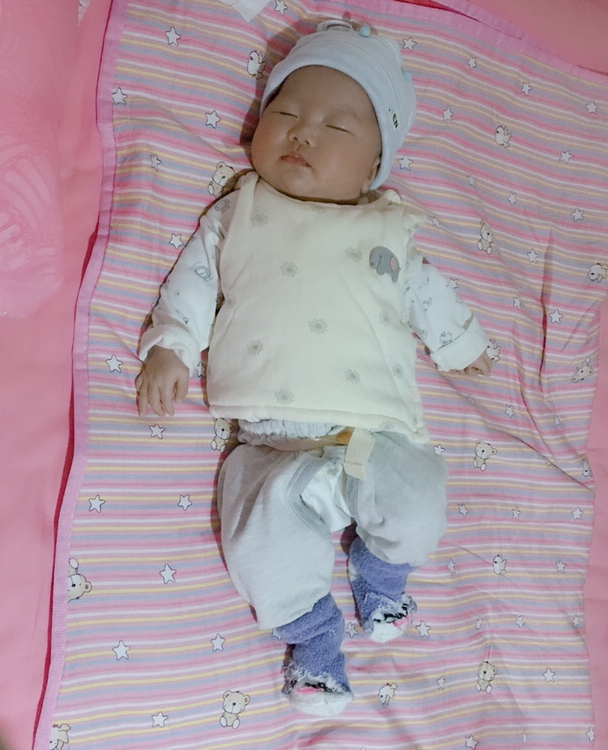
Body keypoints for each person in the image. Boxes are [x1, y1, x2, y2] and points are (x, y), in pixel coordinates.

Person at [136, 19, 493, 716]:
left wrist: (460, 342)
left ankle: (382, 570)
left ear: (373, 166)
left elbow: (425, 291)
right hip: (270, 443)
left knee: (421, 495)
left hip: (372, 437)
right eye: (287, 113)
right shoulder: (240, 213)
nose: (304, 133)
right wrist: (172, 346)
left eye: (336, 127)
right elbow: (195, 281)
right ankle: (314, 640)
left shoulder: (386, 229)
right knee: (257, 538)